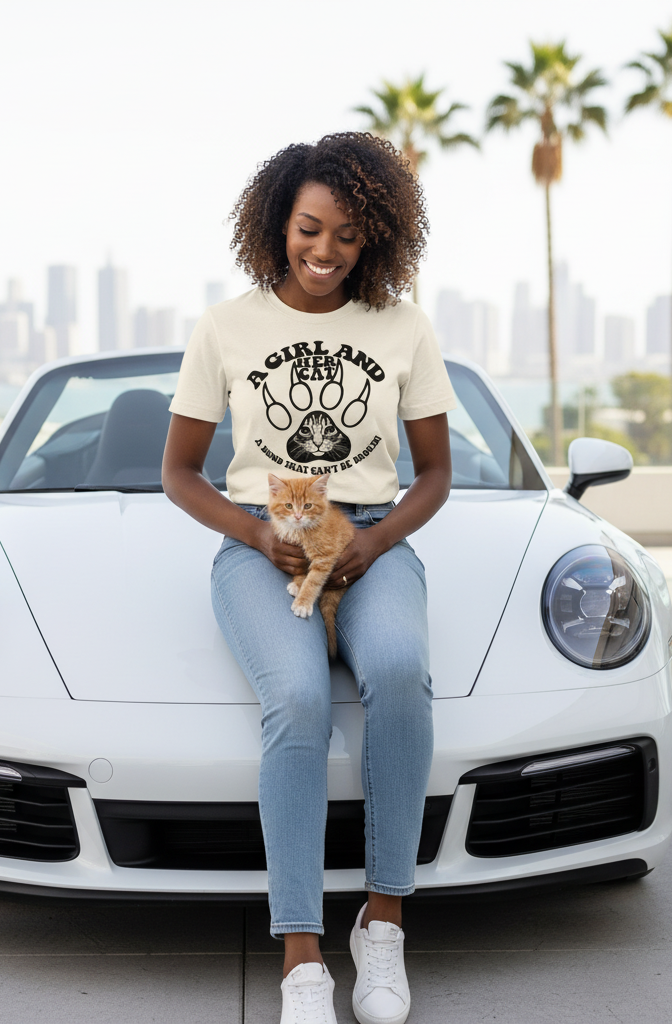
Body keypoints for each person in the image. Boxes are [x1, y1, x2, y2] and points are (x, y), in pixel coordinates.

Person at [162, 132, 456, 1024]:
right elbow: (178, 473)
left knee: (401, 673)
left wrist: (374, 544)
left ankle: (384, 922)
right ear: (278, 222)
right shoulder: (227, 326)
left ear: (379, 239)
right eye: (309, 229)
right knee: (296, 696)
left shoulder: (403, 326)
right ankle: (300, 955)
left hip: (373, 538)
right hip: (266, 544)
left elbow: (436, 474)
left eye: (348, 236)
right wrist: (254, 534)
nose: (324, 252)